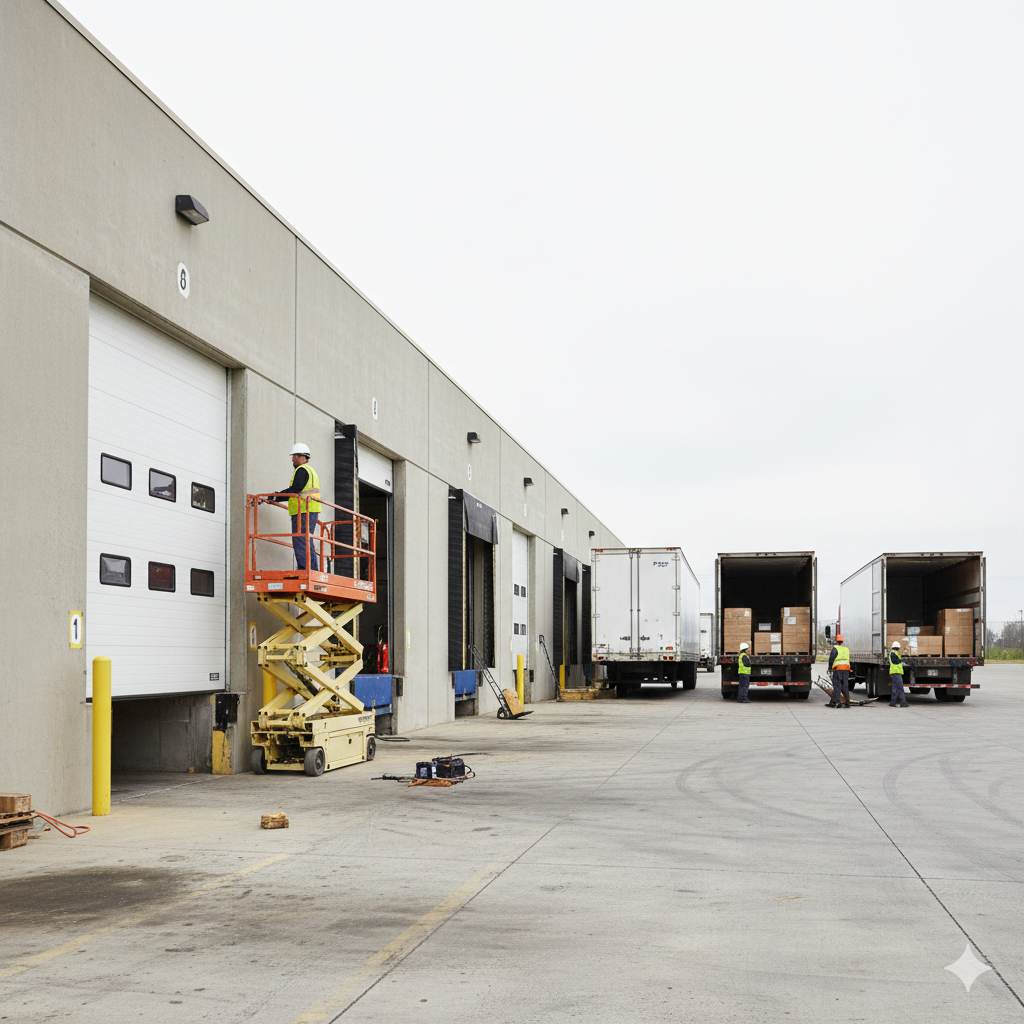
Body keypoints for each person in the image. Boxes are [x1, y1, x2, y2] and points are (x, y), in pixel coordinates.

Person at [269, 443, 322, 571]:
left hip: (303, 511)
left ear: (302, 457)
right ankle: (311, 570)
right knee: (306, 540)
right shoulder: (311, 471)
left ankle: (305, 570)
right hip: (309, 510)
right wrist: (278, 496)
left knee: (300, 541)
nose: (293, 459)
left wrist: (277, 496)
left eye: (295, 456)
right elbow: (299, 491)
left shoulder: (301, 470)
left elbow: (295, 489)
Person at [827, 633, 851, 708]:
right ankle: (847, 701)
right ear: (842, 641)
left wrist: (830, 668)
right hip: (846, 669)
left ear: (836, 641)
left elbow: (831, 659)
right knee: (845, 685)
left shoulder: (835, 648)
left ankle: (838, 701)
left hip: (838, 669)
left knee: (837, 685)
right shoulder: (846, 649)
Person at [888, 640, 909, 707]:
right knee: (900, 688)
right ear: (898, 648)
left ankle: (892, 702)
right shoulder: (894, 654)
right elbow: (897, 661)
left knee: (895, 688)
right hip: (896, 673)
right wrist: (903, 662)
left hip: (894, 672)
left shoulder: (893, 653)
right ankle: (903, 702)